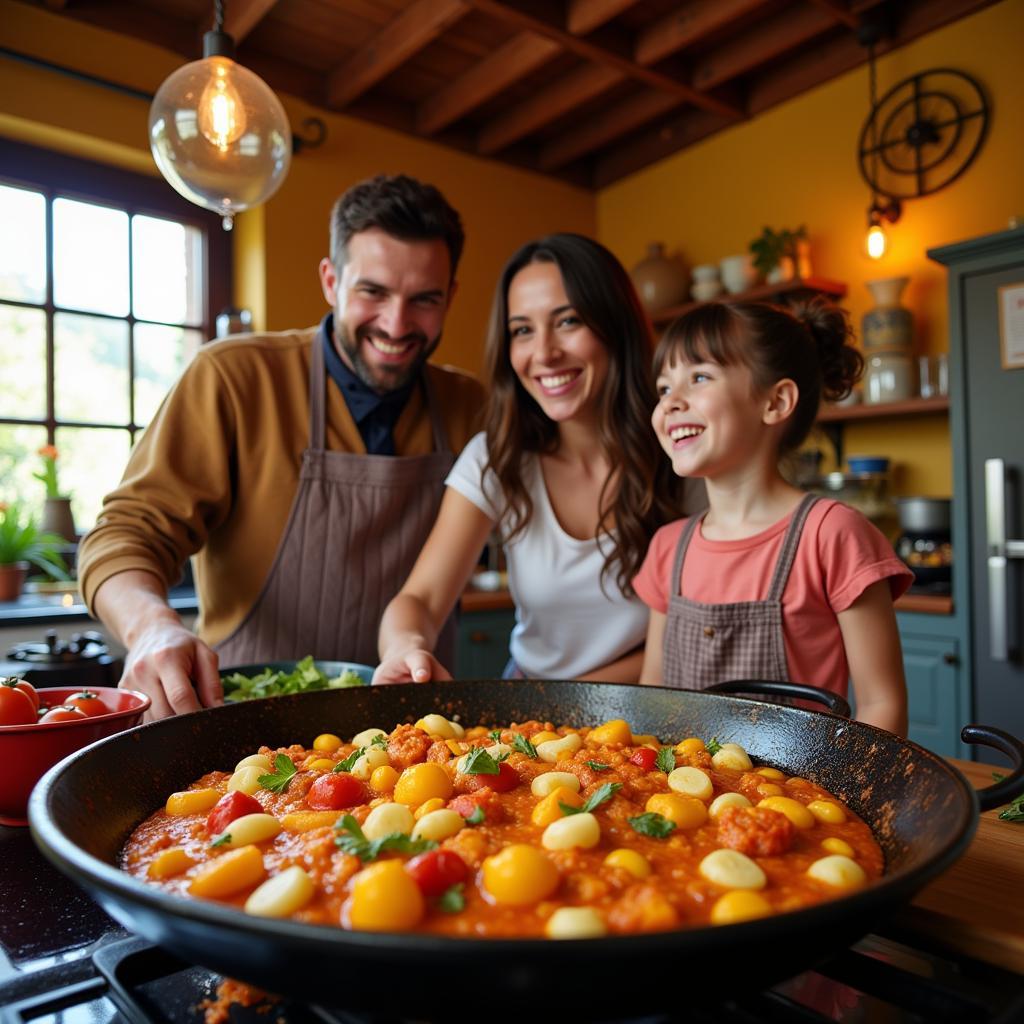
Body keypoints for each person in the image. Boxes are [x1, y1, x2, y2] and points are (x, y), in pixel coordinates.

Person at [77, 174, 486, 720]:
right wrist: (151, 628)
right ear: (330, 280)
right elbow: (124, 535)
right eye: (373, 291)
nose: (396, 322)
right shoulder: (234, 378)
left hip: (414, 733)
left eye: (424, 300)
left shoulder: (471, 405)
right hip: (244, 724)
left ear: (450, 296)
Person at [373, 233, 694, 685]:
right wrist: (407, 647)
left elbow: (700, 635)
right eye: (522, 330)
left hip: (644, 708)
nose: (543, 353)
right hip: (531, 716)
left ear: (614, 326)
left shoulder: (685, 453)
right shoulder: (497, 458)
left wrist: (564, 700)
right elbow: (420, 600)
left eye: (567, 322)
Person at [634, 298, 913, 735]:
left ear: (776, 401)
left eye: (699, 377)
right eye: (665, 388)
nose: (670, 403)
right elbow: (651, 697)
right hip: (679, 798)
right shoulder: (668, 547)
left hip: (796, 796)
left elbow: (882, 703)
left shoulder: (832, 534)